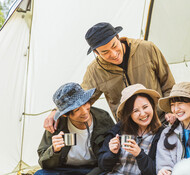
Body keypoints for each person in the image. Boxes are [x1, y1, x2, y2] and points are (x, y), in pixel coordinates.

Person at [44, 22, 176, 133]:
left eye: (114, 46)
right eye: (104, 52)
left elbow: (168, 83)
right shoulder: (94, 71)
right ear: (95, 52)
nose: (113, 54)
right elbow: (80, 99)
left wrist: (171, 111)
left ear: (118, 37)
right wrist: (55, 112)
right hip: (130, 131)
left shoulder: (147, 49)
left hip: (162, 122)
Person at [32, 82, 114, 175]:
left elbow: (110, 157)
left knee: (112, 173)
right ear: (66, 115)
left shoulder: (102, 118)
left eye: (86, 103)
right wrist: (54, 150)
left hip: (95, 169)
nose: (85, 111)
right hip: (67, 170)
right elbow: (44, 163)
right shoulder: (56, 124)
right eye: (77, 109)